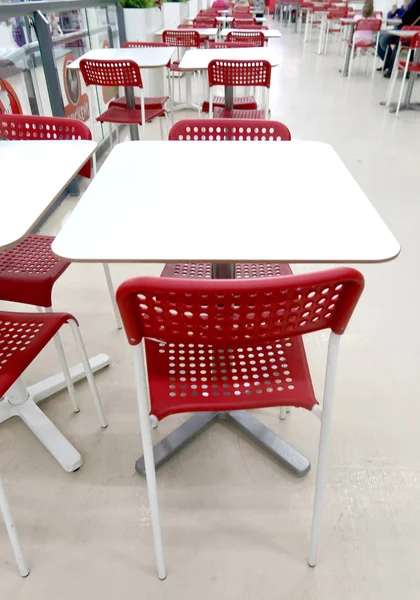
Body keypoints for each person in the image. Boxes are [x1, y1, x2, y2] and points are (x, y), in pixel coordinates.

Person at [378, 0, 420, 76]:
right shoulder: (406, 6)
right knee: (379, 37)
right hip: (410, 32)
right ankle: (388, 63)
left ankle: (391, 68)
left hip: (408, 32)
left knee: (398, 43)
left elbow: (405, 19)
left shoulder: (414, 4)